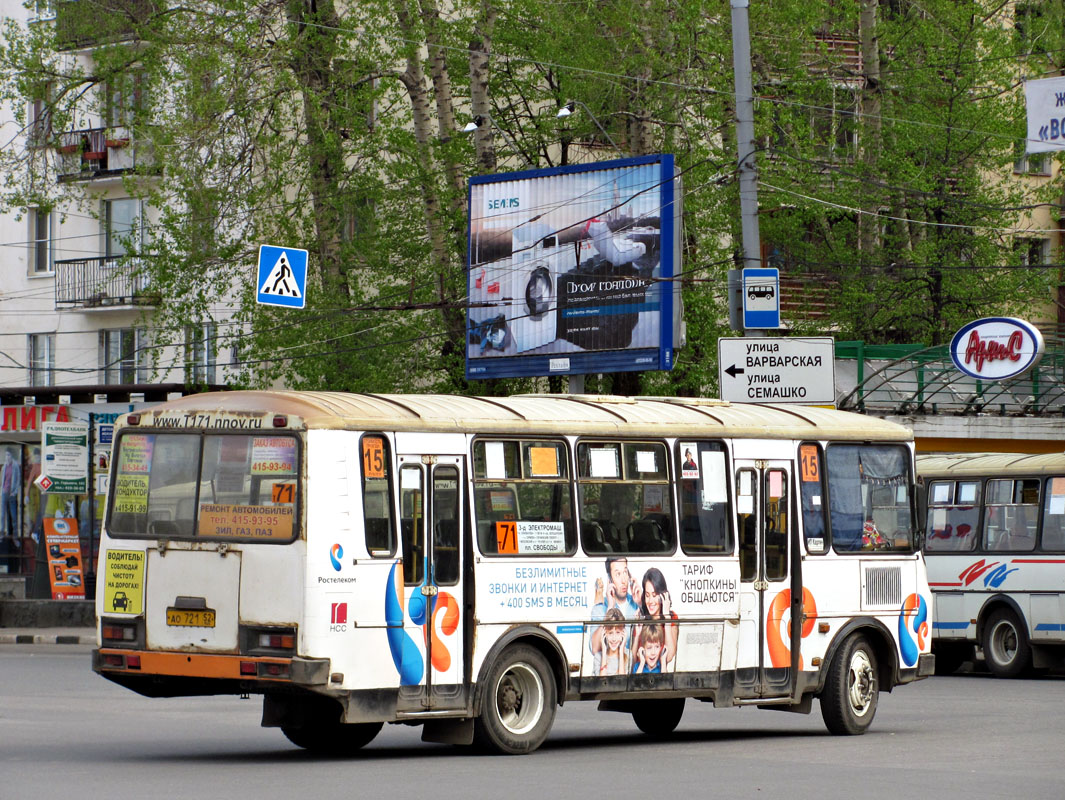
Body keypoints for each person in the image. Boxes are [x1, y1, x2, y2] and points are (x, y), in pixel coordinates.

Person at [589, 557, 639, 655]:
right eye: (618, 574)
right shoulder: (599, 608)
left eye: (625, 572)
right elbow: (594, 648)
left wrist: (641, 603)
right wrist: (610, 609)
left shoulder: (636, 604)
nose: (624, 580)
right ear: (610, 580)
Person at [631, 567, 679, 668]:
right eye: (647, 595)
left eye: (654, 595)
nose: (651, 601)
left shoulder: (671, 617)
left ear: (663, 595)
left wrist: (666, 618)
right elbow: (634, 660)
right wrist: (637, 635)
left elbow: (669, 656)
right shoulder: (641, 618)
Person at [593, 607, 629, 676]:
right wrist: (604, 651)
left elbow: (623, 682)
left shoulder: (628, 655)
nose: (614, 639)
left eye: (618, 632)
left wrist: (621, 651)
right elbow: (601, 682)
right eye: (610, 633)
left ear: (623, 632)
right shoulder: (598, 657)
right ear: (605, 633)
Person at [1, 449, 20, 537]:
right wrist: (2, 491)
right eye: (6, 455)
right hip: (5, 492)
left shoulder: (15, 466)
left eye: (8, 455)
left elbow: (18, 480)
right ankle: (2, 533)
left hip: (12, 494)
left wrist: (15, 492)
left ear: (12, 456)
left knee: (13, 515)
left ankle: (15, 534)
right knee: (2, 514)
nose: (7, 457)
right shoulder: (4, 466)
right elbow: (3, 480)